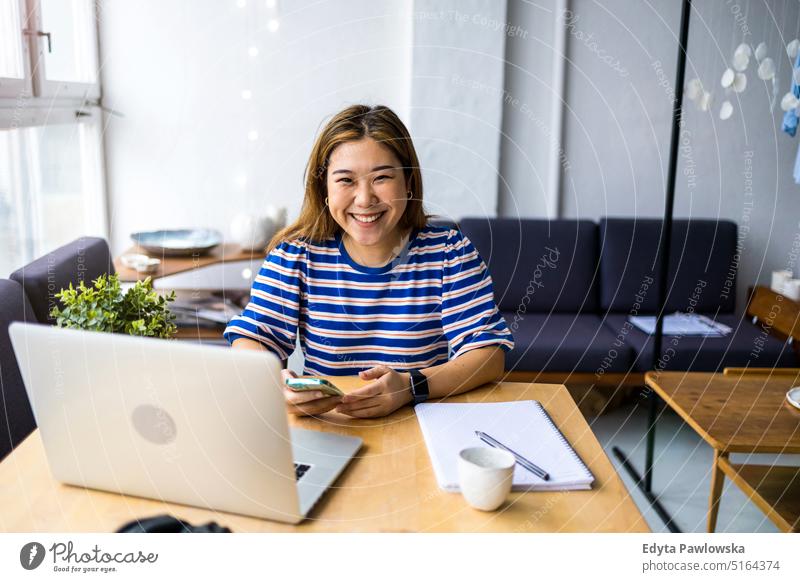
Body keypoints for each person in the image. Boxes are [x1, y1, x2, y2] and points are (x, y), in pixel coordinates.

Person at [224, 104, 514, 418]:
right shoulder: (295, 254)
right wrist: (274, 384)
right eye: (345, 180)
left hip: (420, 425)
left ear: (409, 182)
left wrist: (409, 386)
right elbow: (252, 337)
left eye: (382, 178)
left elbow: (488, 353)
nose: (364, 199)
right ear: (324, 189)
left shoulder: (449, 252)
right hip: (327, 424)